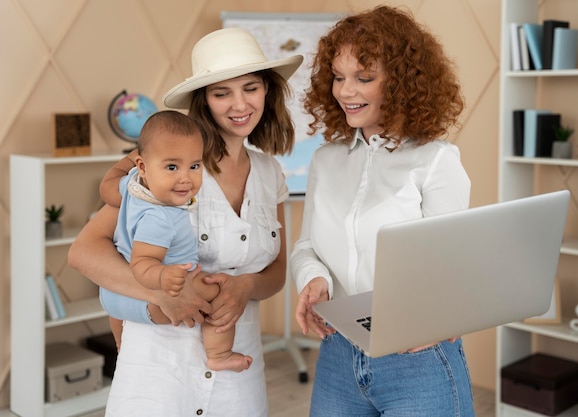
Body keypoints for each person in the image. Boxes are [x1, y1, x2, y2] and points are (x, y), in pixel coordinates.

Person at [68, 27, 303, 416]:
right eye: (221, 92)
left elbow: (276, 272)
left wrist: (246, 286)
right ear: (203, 101)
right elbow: (84, 252)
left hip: (236, 369)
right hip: (159, 371)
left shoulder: (270, 173)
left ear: (268, 91)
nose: (239, 104)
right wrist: (162, 293)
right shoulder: (171, 170)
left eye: (251, 87)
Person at [290, 6, 475, 417]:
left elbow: (455, 267)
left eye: (364, 78)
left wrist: (441, 316)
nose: (345, 91)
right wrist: (314, 279)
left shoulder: (435, 160)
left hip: (417, 357)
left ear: (402, 82)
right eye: (338, 77)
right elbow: (307, 247)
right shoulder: (326, 160)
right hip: (339, 352)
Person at [101, 110, 252, 372]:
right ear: (143, 166)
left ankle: (120, 343)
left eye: (194, 166)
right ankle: (219, 352)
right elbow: (143, 263)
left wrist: (134, 160)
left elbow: (107, 186)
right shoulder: (161, 217)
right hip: (157, 294)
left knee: (123, 333)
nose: (185, 177)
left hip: (114, 295)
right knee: (220, 295)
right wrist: (163, 277)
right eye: (172, 167)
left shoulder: (133, 185)